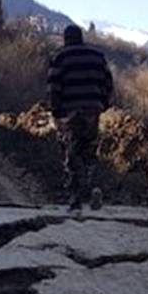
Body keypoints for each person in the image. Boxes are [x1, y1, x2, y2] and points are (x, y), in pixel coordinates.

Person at [48, 24, 113, 211]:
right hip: (93, 111)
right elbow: (108, 83)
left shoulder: (60, 57)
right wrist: (103, 104)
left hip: (70, 112)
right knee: (90, 151)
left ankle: (75, 197)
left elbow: (53, 86)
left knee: (72, 153)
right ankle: (94, 187)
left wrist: (55, 110)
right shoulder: (97, 56)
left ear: (65, 38)